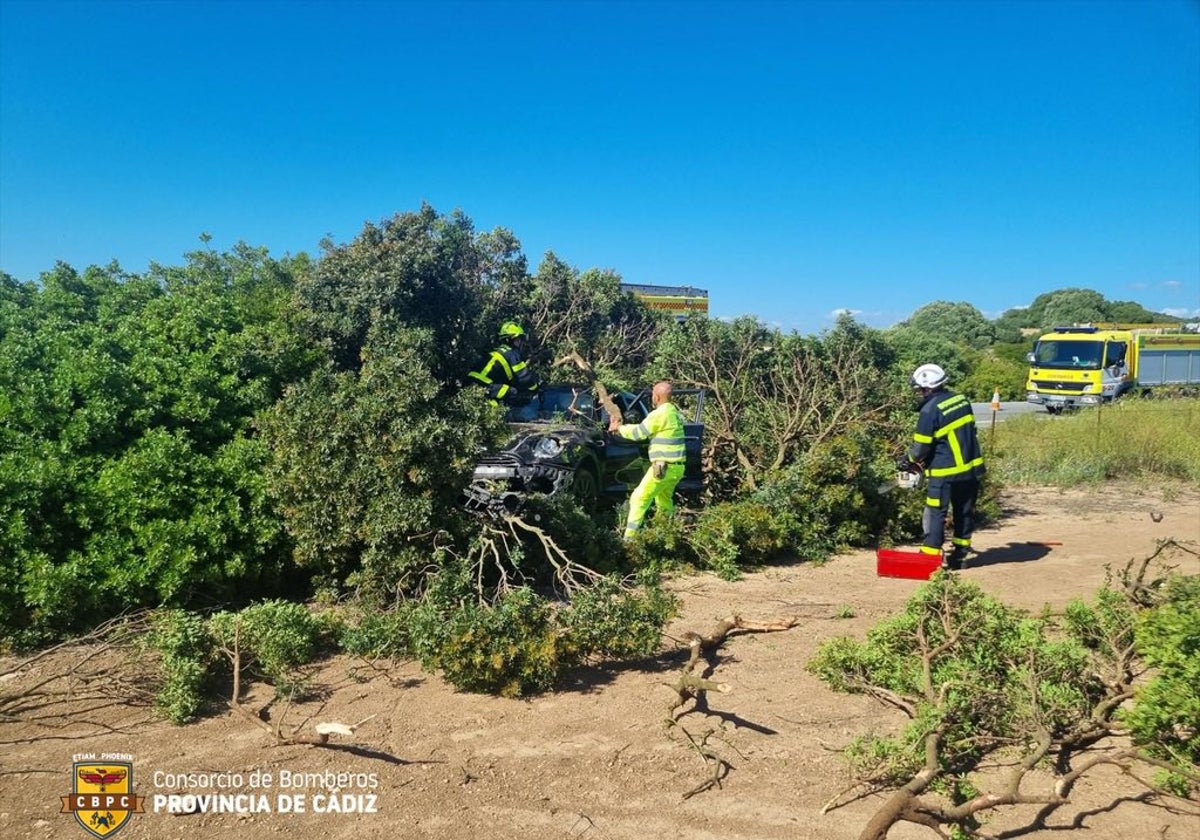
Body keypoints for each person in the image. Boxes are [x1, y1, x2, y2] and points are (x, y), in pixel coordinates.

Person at [900, 363, 986, 570]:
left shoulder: (929, 411)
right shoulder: (961, 400)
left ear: (927, 387)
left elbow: (921, 448)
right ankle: (961, 556)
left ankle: (929, 556)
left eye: (919, 389)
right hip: (971, 468)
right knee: (964, 511)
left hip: (944, 471)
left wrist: (907, 460)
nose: (918, 393)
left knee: (936, 511)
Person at [609, 381, 687, 540]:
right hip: (677, 468)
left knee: (639, 497)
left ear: (656, 396)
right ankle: (666, 536)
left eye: (653, 394)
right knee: (664, 501)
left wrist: (619, 429)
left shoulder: (660, 414)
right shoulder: (674, 413)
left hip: (662, 468)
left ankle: (629, 539)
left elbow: (639, 433)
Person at [469, 321, 540, 405]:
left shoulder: (497, 351)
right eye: (519, 339)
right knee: (512, 392)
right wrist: (535, 389)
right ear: (514, 339)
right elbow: (524, 377)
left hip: (470, 383)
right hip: (485, 385)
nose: (520, 342)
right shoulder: (512, 353)